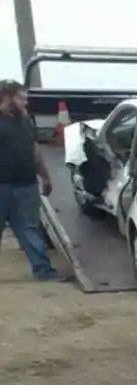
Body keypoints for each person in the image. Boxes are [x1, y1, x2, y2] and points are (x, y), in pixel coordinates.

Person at [0, 80, 60, 281]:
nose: (25, 102)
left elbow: (34, 149)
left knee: (29, 228)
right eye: (20, 98)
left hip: (26, 184)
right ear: (7, 98)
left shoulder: (25, 120)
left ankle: (43, 271)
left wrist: (45, 176)